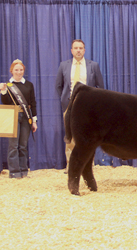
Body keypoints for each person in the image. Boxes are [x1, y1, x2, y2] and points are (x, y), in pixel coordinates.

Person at [55, 39, 104, 173]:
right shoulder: (63, 65)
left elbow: (100, 86)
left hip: (88, 107)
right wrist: (66, 100)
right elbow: (59, 86)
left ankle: (88, 165)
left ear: (84, 50)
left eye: (80, 48)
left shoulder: (93, 65)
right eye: (75, 48)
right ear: (71, 50)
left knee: (89, 136)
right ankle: (71, 164)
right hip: (70, 105)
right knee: (70, 136)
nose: (78, 50)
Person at [0, 59, 38, 179]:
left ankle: (23, 170)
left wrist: (34, 120)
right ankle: (14, 172)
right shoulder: (8, 85)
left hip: (26, 117)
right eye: (16, 70)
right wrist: (3, 91)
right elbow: (5, 103)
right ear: (12, 71)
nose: (19, 72)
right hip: (12, 116)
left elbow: (32, 102)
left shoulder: (29, 84)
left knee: (23, 145)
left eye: (21, 70)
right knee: (13, 145)